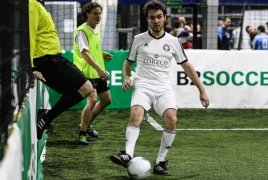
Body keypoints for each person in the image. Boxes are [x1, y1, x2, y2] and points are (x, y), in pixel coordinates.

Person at [109, 0, 209, 176]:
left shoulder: (173, 41)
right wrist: (126, 77)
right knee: (136, 114)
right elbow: (128, 63)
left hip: (163, 88)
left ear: (165, 18)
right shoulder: (139, 39)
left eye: (159, 17)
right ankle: (127, 155)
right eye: (152, 17)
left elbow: (187, 67)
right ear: (147, 19)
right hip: (143, 86)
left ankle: (160, 162)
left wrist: (201, 90)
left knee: (172, 119)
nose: (156, 21)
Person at [29, 0, 93, 140]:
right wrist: (31, 65)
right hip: (48, 60)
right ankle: (46, 118)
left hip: (52, 59)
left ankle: (45, 117)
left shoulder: (37, 5)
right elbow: (30, 36)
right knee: (86, 88)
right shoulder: (33, 4)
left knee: (78, 90)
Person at [73, 2, 113, 144]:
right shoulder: (82, 31)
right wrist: (100, 69)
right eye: (95, 13)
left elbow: (90, 50)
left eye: (100, 13)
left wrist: (101, 54)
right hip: (86, 73)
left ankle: (87, 125)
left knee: (106, 100)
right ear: (87, 14)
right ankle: (82, 133)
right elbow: (84, 53)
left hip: (97, 72)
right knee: (92, 100)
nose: (99, 16)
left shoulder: (95, 29)